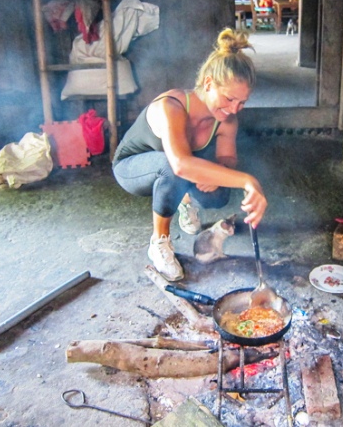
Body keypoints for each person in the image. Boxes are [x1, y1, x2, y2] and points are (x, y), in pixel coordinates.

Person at [112, 28, 268, 281]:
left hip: (174, 170)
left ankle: (184, 201)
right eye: (229, 99)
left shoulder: (227, 120)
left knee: (219, 193)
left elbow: (228, 160)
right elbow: (181, 164)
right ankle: (159, 242)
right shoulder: (171, 107)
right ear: (208, 84)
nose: (234, 109)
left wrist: (221, 173)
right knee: (173, 168)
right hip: (132, 168)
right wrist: (249, 181)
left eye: (242, 103)